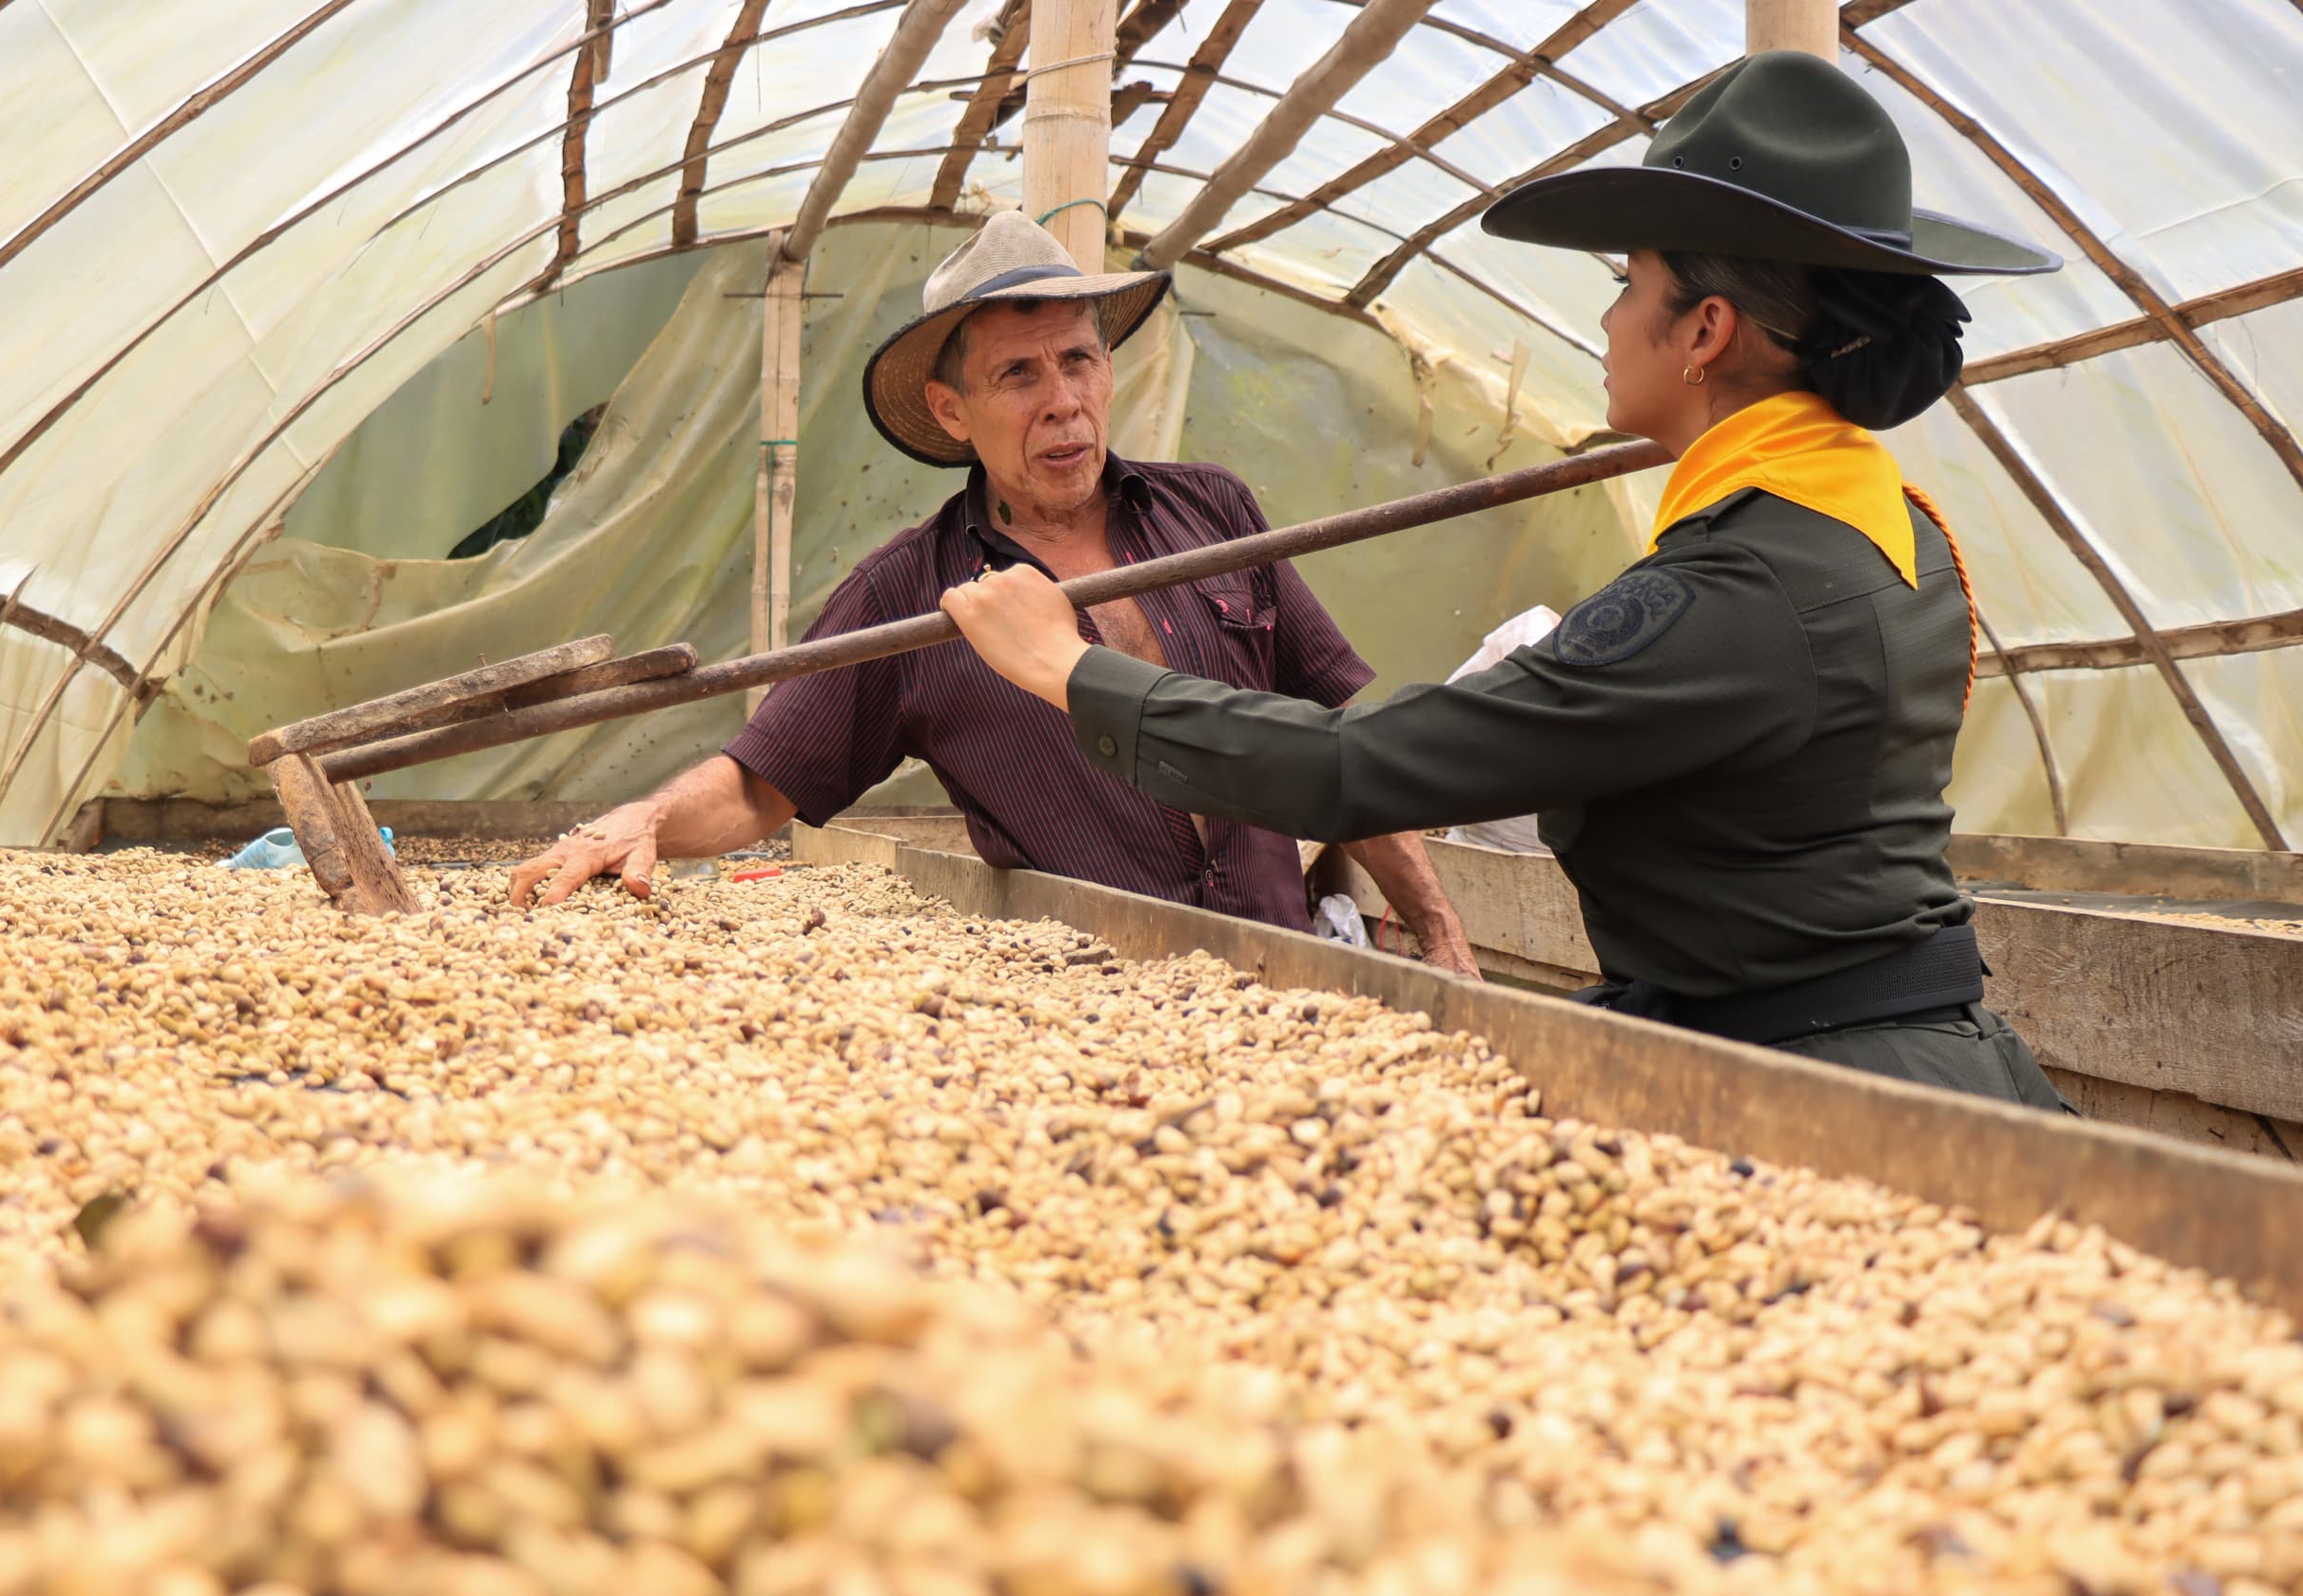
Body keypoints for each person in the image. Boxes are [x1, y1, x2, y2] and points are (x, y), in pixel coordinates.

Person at [938, 51, 2073, 1107]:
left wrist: (1072, 670)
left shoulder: (1731, 588)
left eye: (1632, 283)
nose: (1610, 314)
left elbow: (1351, 764)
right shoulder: (1894, 528)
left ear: (1706, 331)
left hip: (1835, 1092)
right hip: (1915, 1045)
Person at [507, 210, 1477, 977]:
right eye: (1018, 373)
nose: (1062, 400)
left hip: (1290, 974)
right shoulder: (913, 591)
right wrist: (643, 820)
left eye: (1079, 360)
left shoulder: (1215, 510)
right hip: (1093, 1012)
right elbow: (765, 781)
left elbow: (1338, 743)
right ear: (950, 409)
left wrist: (1437, 930)